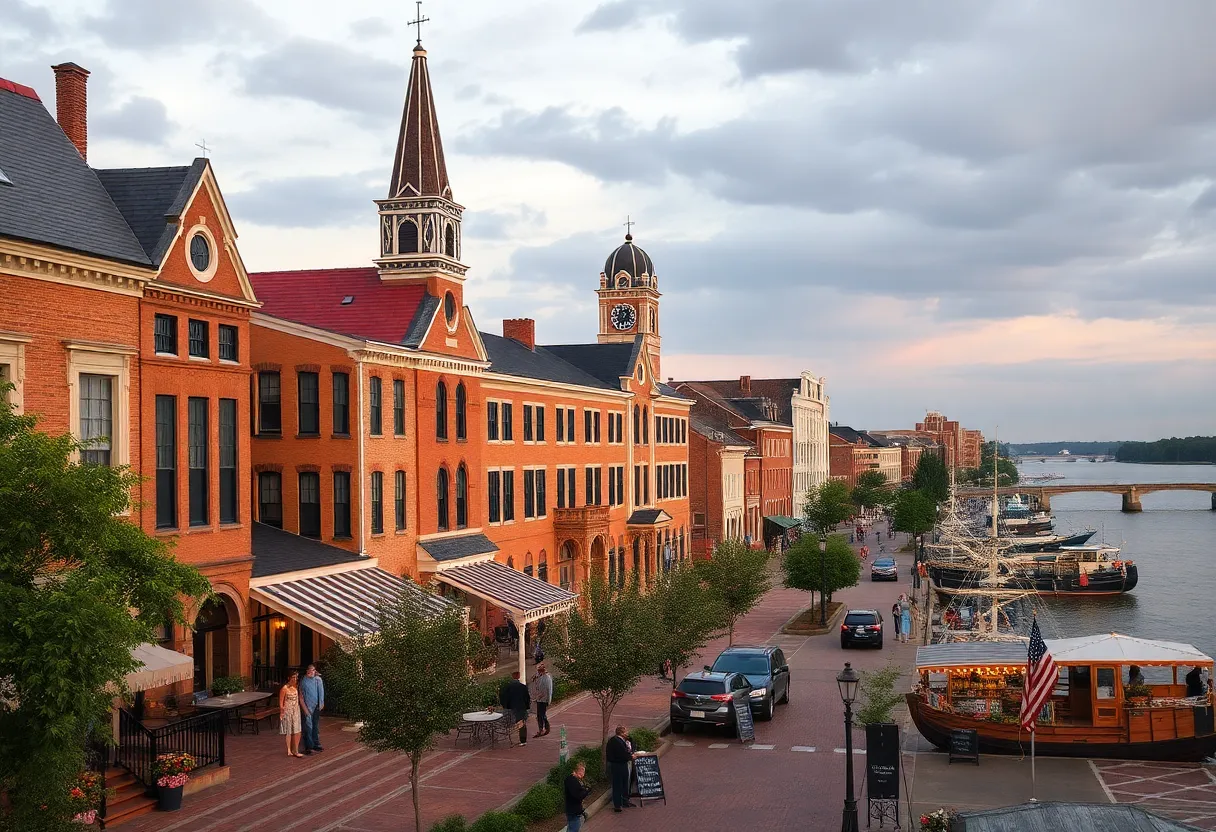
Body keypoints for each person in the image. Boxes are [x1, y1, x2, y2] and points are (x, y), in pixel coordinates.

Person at [606, 725, 636, 812]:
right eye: (626, 732)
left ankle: (624, 801)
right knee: (618, 784)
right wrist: (631, 757)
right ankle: (618, 804)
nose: (627, 733)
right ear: (621, 733)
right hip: (618, 765)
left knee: (624, 783)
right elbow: (623, 754)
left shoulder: (619, 740)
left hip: (621, 764)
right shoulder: (617, 742)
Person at [499, 670, 531, 746]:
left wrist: (505, 706)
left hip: (511, 708)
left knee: (511, 722)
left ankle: (511, 737)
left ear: (512, 677)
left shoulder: (507, 687)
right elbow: (527, 698)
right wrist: (527, 707)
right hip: (521, 707)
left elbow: (502, 697)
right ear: (519, 677)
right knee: (521, 724)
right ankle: (523, 741)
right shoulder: (523, 687)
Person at [299, 664, 325, 754]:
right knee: (308, 727)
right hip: (307, 707)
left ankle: (316, 744)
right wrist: (305, 709)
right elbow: (301, 696)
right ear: (307, 671)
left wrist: (321, 703)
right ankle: (309, 747)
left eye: (314, 670)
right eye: (310, 670)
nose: (312, 672)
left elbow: (321, 692)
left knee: (315, 726)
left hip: (316, 706)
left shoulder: (318, 679)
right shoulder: (303, 681)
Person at [279, 670, 305, 758]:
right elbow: (281, 703)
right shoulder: (284, 688)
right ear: (289, 678)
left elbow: (299, 698)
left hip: (296, 711)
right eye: (293, 677)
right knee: (289, 731)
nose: (295, 679)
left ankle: (296, 749)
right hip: (288, 711)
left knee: (297, 730)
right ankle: (289, 749)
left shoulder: (296, 687)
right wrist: (282, 713)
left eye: (296, 677)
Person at [565, 760, 593, 831]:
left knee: (571, 828)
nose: (584, 773)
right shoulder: (572, 781)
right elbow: (578, 795)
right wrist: (586, 791)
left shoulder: (573, 779)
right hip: (574, 811)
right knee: (574, 828)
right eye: (583, 771)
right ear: (578, 771)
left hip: (573, 810)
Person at [530, 663, 553, 738]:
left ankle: (541, 729)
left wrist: (538, 697)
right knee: (541, 714)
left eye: (539, 670)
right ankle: (546, 728)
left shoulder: (546, 677)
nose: (538, 671)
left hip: (543, 699)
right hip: (539, 699)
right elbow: (534, 682)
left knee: (540, 715)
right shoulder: (539, 676)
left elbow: (546, 690)